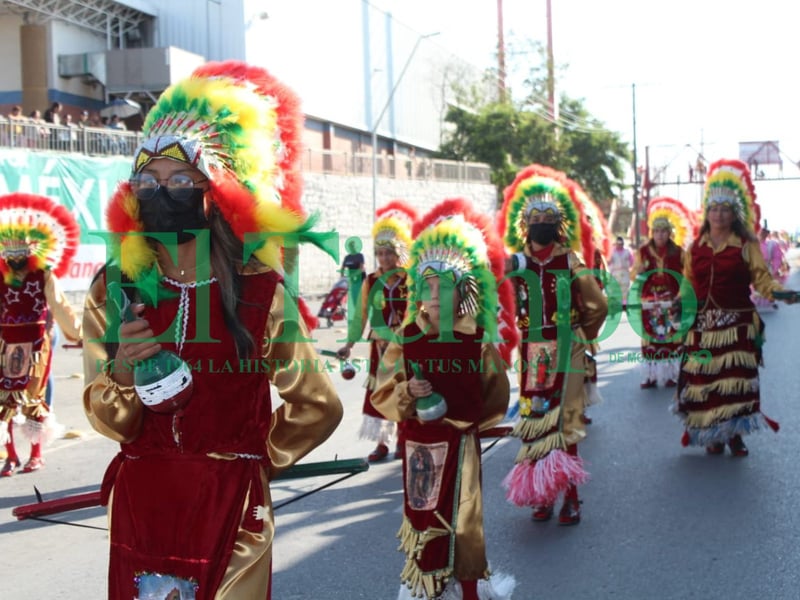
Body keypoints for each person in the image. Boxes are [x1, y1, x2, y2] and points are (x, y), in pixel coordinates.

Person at [81, 60, 343, 599]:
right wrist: (125, 373)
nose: (162, 192)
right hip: (144, 504)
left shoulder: (260, 291)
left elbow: (317, 405)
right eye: (147, 181)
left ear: (216, 191)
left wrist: (256, 458)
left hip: (233, 506)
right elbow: (108, 417)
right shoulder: (114, 289)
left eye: (181, 180)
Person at [371, 198, 515, 600]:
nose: (435, 295)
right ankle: (428, 588)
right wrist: (407, 393)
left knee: (464, 522)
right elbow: (383, 389)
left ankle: (469, 589)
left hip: (460, 444)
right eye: (428, 285)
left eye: (445, 286)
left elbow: (494, 394)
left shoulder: (475, 341)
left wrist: (470, 422)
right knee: (424, 519)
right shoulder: (408, 336)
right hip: (419, 444)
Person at [498, 166, 608, 526]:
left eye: (548, 218)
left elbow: (598, 304)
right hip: (532, 354)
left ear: (558, 224)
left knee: (566, 422)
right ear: (524, 224)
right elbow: (502, 302)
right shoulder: (516, 263)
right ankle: (541, 494)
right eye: (535, 218)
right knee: (535, 421)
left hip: (567, 351)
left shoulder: (570, 259)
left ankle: (571, 499)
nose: (541, 223)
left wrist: (580, 334)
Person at [675, 158, 795, 457]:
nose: (718, 214)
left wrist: (781, 293)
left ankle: (735, 436)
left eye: (724, 209)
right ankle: (712, 435)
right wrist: (680, 302)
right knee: (706, 381)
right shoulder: (696, 247)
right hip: (702, 324)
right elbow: (688, 282)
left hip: (737, 325)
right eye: (714, 209)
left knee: (736, 382)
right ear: (708, 213)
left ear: (734, 214)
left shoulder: (746, 243)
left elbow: (762, 279)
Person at [0, 193, 82, 476]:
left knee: (33, 399)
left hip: (37, 343)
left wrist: (76, 334)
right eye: (8, 250)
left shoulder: (43, 274)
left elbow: (60, 305)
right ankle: (10, 456)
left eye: (18, 249)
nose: (13, 255)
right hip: (5, 344)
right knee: (5, 401)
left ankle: (36, 455)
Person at [337, 199, 417, 462]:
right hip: (380, 347)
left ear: (398, 254)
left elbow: (417, 312)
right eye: (380, 253)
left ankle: (405, 439)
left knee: (404, 390)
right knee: (380, 391)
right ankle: (382, 442)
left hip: (405, 346)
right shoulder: (370, 281)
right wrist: (349, 344)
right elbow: (360, 315)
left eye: (389, 253)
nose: (384, 258)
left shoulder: (410, 280)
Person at [632, 197, 690, 389]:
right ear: (652, 232)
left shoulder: (679, 252)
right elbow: (634, 273)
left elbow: (687, 276)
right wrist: (638, 274)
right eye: (656, 231)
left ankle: (672, 375)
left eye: (664, 231)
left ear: (669, 233)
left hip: (671, 302)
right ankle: (650, 376)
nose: (660, 235)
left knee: (672, 338)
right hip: (649, 302)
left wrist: (680, 297)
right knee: (650, 338)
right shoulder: (643, 251)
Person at [751, 225, 784, 310]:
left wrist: (775, 268)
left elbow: (777, 257)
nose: (762, 234)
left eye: (764, 233)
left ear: (767, 234)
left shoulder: (772, 244)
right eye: (760, 232)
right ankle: (755, 302)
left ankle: (769, 301)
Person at [608, 235, 635, 307]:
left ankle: (624, 303)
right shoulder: (612, 252)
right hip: (615, 272)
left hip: (625, 272)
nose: (619, 246)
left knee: (625, 287)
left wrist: (630, 268)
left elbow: (632, 261)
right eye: (618, 244)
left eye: (621, 244)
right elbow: (609, 262)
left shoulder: (627, 251)